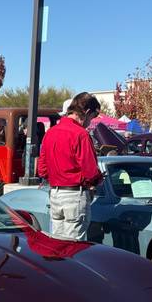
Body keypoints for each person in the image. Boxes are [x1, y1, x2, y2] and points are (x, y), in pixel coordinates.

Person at [37, 92, 102, 241]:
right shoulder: (81, 134)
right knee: (74, 246)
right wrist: (97, 180)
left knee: (57, 242)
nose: (90, 122)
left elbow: (42, 170)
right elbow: (91, 172)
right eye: (92, 118)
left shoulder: (50, 133)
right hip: (74, 195)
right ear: (87, 112)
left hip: (55, 194)